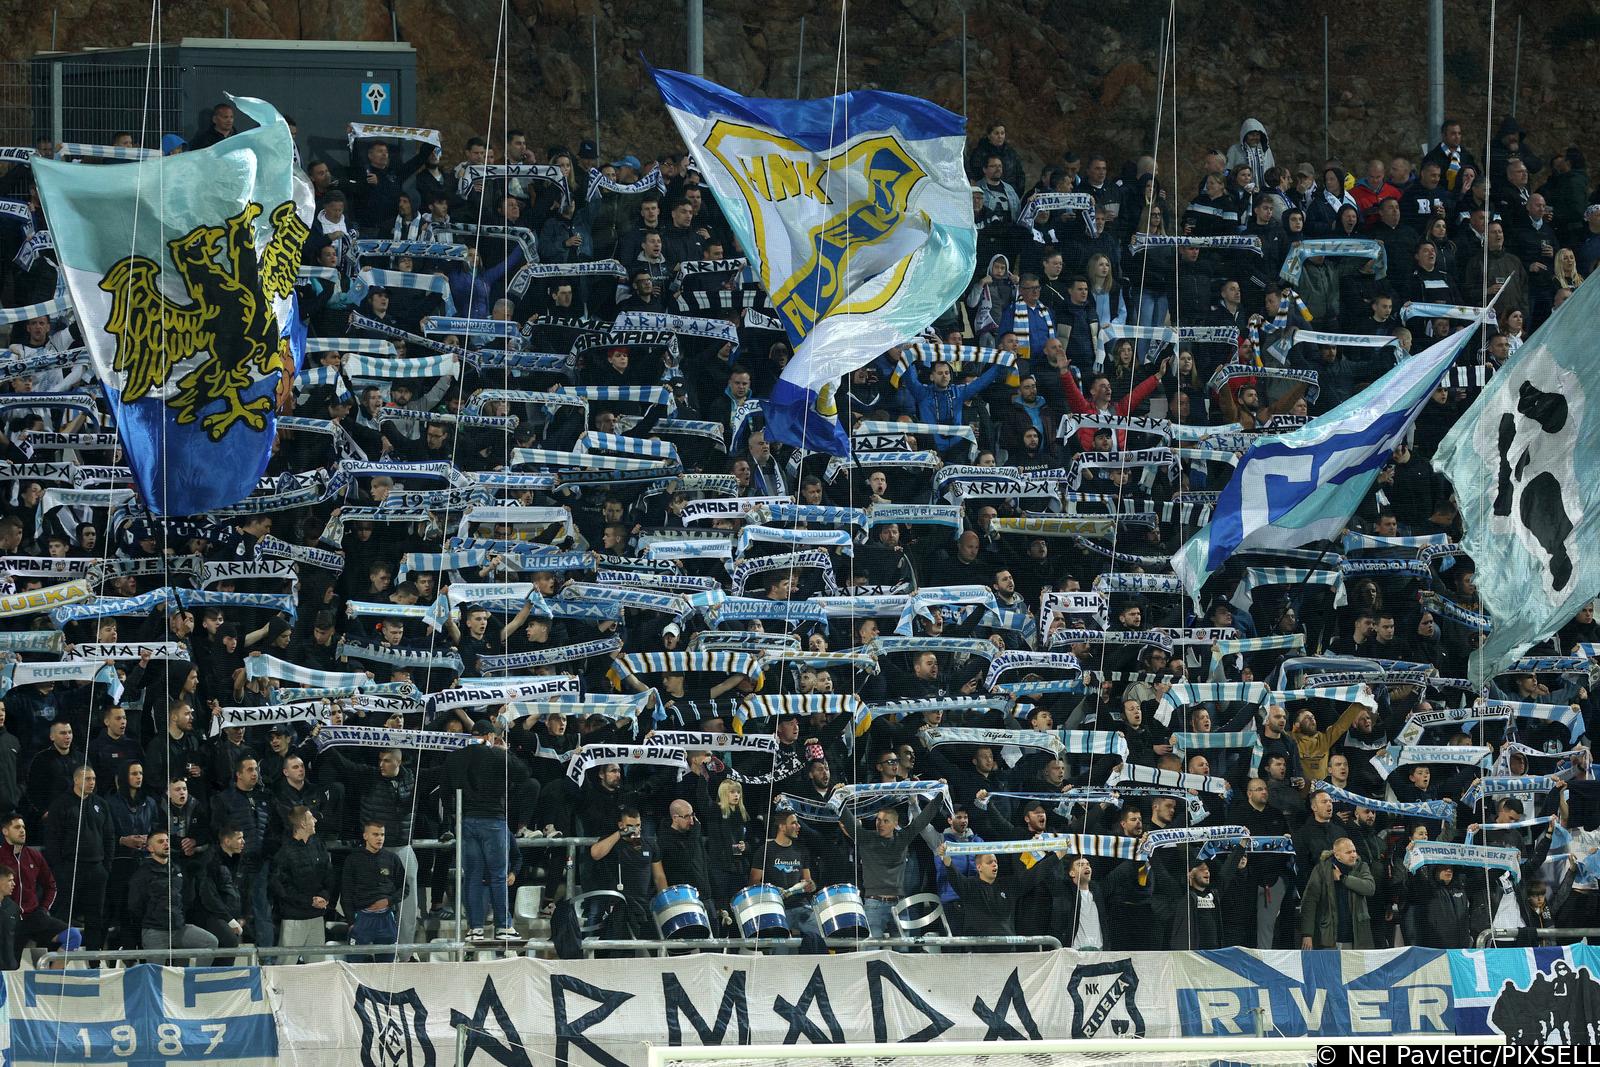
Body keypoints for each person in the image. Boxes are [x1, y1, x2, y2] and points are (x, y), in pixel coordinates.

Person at [444, 720, 531, 940]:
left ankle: (476, 929)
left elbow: (445, 790)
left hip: (466, 821)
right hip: (493, 821)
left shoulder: (456, 756)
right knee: (498, 876)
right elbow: (524, 774)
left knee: (472, 876)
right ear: (490, 736)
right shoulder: (496, 755)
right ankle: (503, 927)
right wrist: (504, 752)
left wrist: (453, 815)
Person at [127, 830, 219, 959]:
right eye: (160, 842)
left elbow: (186, 897)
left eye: (167, 841)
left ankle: (194, 979)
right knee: (155, 973)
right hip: (155, 931)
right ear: (150, 848)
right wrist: (151, 921)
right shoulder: (143, 874)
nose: (166, 844)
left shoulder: (176, 869)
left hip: (179, 928)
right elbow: (135, 906)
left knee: (210, 942)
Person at [270, 806, 333, 955]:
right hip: (294, 919)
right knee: (287, 964)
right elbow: (281, 888)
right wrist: (308, 901)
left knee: (317, 966)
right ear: (303, 824)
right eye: (311, 818)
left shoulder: (318, 845)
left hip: (317, 916)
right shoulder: (284, 853)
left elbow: (329, 874)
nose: (315, 820)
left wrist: (325, 896)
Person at [343, 821, 406, 962]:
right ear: (365, 836)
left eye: (382, 834)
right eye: (375, 834)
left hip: (386, 919)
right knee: (355, 964)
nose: (380, 838)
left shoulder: (392, 859)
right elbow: (346, 892)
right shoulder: (353, 859)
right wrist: (351, 921)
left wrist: (389, 901)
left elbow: (404, 888)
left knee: (387, 966)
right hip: (362, 919)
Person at [1299, 837, 1376, 949]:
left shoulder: (1361, 867)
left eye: (1354, 851)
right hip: (1328, 937)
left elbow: (1370, 888)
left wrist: (1343, 878)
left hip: (1357, 938)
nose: (1354, 855)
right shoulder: (1322, 870)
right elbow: (1309, 902)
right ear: (1337, 855)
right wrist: (1307, 934)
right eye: (1348, 852)